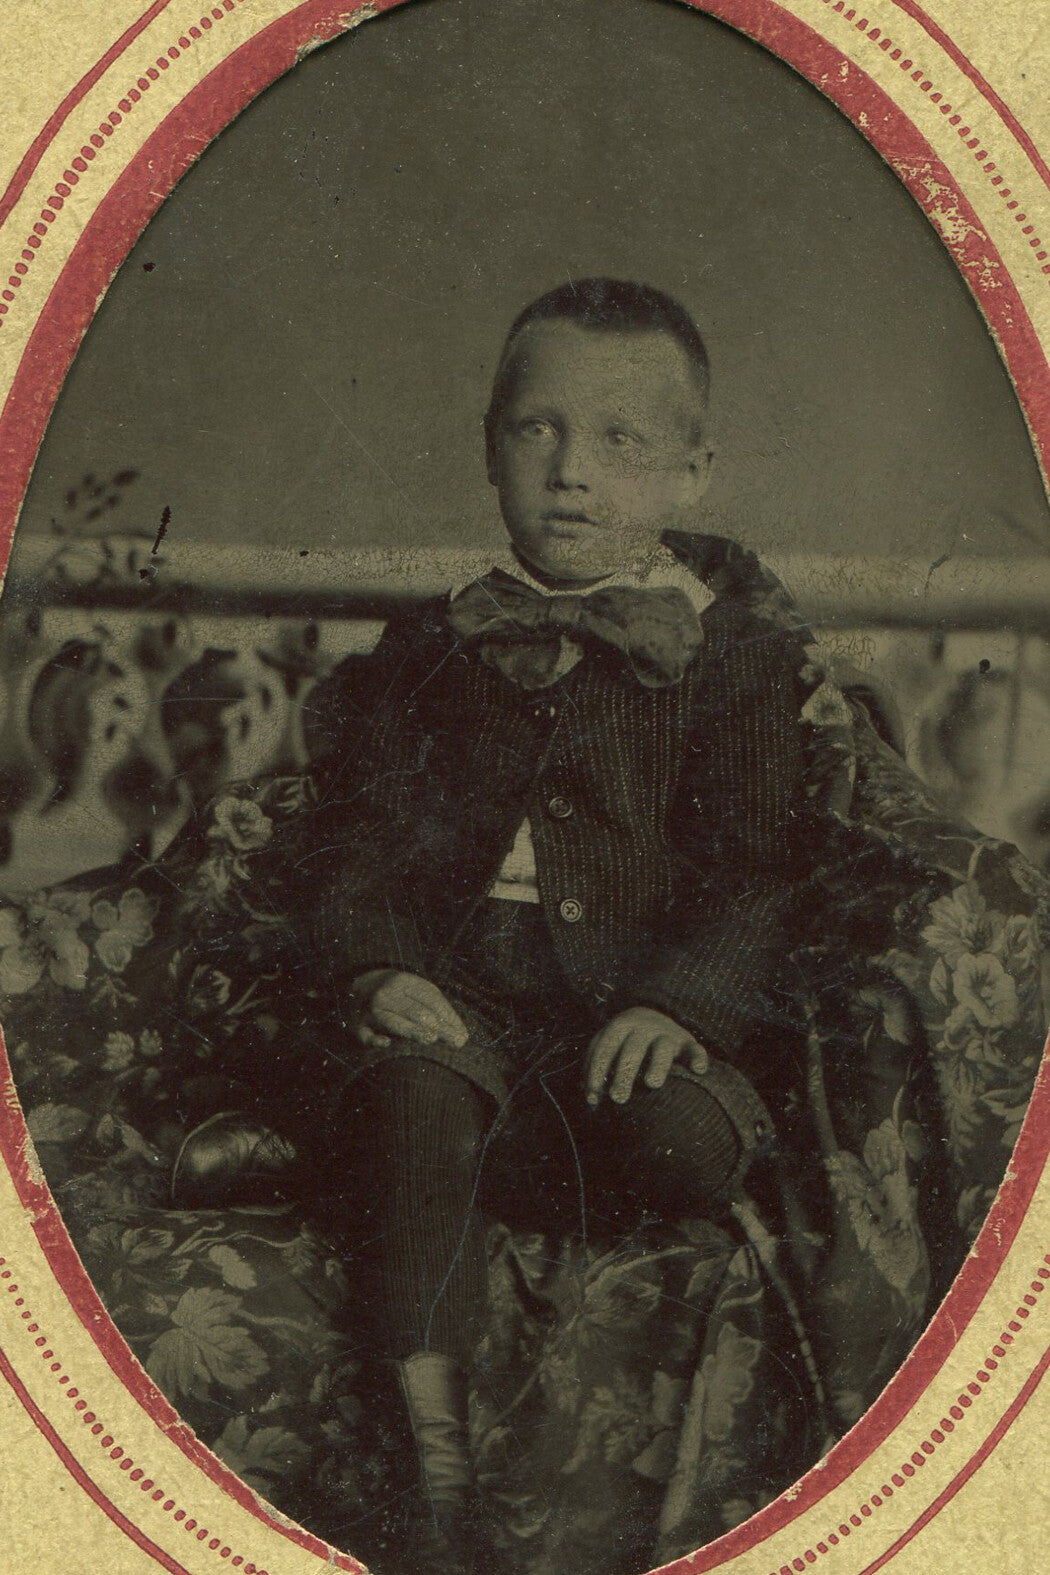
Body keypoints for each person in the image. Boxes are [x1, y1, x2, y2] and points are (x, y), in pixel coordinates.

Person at [294, 279, 813, 1572]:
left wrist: (676, 1004)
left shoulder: (729, 656)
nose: (571, 473)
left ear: (693, 474)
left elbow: (755, 872)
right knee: (416, 1094)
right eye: (536, 432)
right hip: (461, 999)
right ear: (489, 445)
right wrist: (378, 972)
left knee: (686, 1143)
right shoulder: (426, 646)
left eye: (623, 443)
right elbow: (348, 847)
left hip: (620, 1014)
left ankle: (421, 1153)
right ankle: (437, 1467)